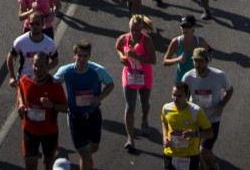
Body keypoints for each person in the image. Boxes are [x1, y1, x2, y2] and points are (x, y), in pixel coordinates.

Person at [53, 42, 114, 170]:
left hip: (93, 114)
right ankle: (85, 158)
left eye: (85, 56)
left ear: (89, 56)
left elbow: (110, 84)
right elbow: (53, 83)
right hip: (75, 116)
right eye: (79, 56)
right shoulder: (66, 71)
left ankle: (86, 157)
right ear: (74, 56)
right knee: (84, 154)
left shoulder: (97, 70)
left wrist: (99, 98)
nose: (82, 59)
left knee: (94, 147)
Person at [180, 49, 233, 167]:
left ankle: (213, 166)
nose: (197, 64)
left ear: (207, 61)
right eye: (195, 61)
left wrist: (221, 105)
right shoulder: (188, 77)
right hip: (195, 120)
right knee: (193, 151)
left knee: (204, 150)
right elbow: (182, 94)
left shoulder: (219, 76)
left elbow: (229, 90)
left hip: (212, 119)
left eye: (200, 61)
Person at [15, 51, 67, 170]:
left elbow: (65, 107)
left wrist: (52, 105)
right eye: (35, 65)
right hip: (30, 130)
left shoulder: (55, 86)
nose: (37, 69)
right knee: (30, 165)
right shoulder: (25, 80)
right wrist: (21, 104)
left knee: (47, 164)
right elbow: (20, 89)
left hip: (49, 132)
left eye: (41, 66)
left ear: (48, 66)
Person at [115, 14, 156, 153]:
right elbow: (118, 47)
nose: (134, 33)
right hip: (129, 75)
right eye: (132, 29)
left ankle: (144, 117)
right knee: (130, 106)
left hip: (144, 75)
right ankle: (130, 137)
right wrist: (122, 58)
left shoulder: (147, 41)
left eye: (137, 30)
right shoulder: (125, 38)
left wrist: (137, 57)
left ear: (142, 29)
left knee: (145, 103)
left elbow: (153, 60)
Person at [160, 81, 212, 168]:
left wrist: (195, 134)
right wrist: (165, 137)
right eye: (174, 95)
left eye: (179, 96)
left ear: (187, 95)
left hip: (189, 156)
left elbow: (210, 133)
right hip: (170, 154)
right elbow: (164, 122)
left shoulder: (196, 111)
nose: (175, 99)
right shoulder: (166, 108)